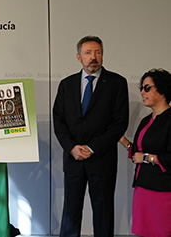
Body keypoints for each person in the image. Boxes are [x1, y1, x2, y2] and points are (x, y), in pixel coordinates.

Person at [53, 35, 129, 237]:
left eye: (98, 52)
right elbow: (58, 121)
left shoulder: (117, 83)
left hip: (102, 160)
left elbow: (119, 123)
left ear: (102, 55)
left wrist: (92, 148)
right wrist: (71, 147)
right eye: (88, 53)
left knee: (103, 215)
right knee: (70, 214)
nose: (93, 57)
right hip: (73, 159)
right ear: (79, 57)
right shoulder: (66, 84)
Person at [119, 68, 171, 237]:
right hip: (142, 187)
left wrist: (148, 158)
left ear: (162, 90)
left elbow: (150, 156)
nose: (142, 92)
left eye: (147, 88)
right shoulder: (146, 120)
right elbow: (138, 152)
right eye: (141, 88)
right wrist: (122, 140)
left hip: (162, 192)